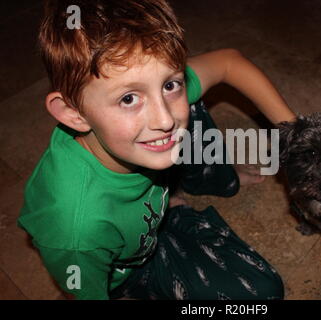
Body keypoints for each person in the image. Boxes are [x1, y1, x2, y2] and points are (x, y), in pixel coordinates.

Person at [18, 0, 296, 300]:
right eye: (128, 99)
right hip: (133, 269)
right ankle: (176, 210)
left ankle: (200, 187)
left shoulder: (143, 124)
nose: (164, 119)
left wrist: (296, 133)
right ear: (74, 114)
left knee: (188, 106)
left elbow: (229, 62)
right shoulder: (77, 229)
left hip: (149, 207)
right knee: (264, 295)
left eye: (169, 84)